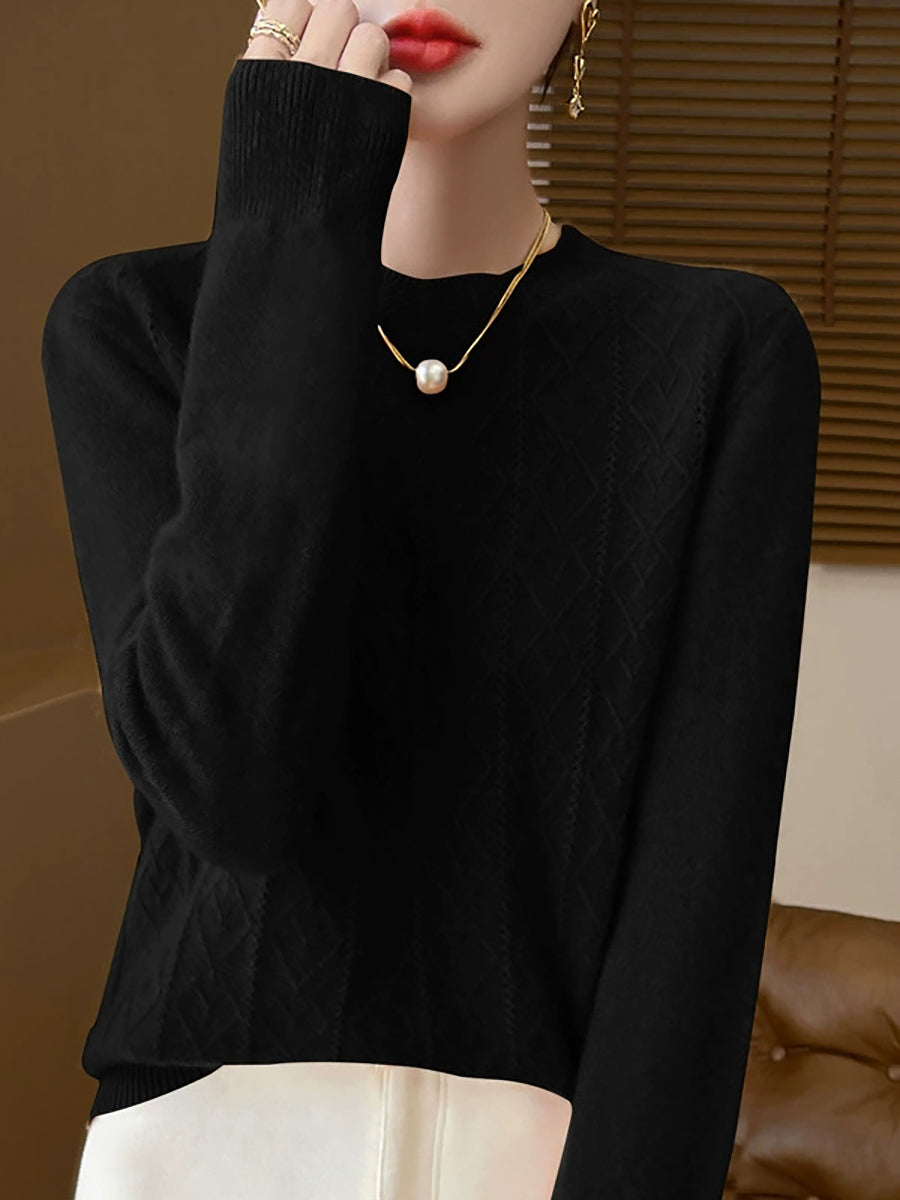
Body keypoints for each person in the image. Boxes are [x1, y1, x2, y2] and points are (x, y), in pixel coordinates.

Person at [41, 1, 822, 1197]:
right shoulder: (132, 327)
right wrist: (291, 207)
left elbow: (693, 916)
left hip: (546, 1156)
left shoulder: (721, 350)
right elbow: (231, 793)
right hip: (197, 1146)